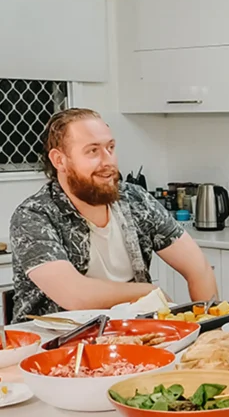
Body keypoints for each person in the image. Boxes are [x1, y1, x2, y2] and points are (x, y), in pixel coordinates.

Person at [10, 109, 216, 322]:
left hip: (132, 338)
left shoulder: (135, 200)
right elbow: (76, 296)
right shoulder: (34, 216)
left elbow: (199, 269)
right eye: (92, 151)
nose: (108, 161)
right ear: (59, 160)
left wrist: (212, 330)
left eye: (110, 148)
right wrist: (149, 292)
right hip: (53, 347)